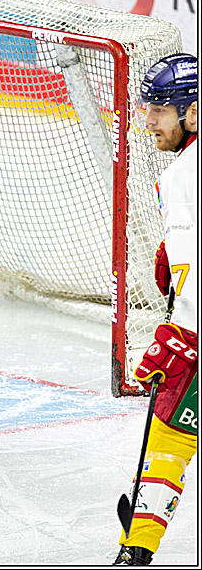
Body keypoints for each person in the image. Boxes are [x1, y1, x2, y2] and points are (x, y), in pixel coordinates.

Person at [114, 53, 197, 565]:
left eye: (163, 109)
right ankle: (139, 545)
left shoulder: (186, 176)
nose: (149, 121)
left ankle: (137, 551)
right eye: (148, 106)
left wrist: (180, 334)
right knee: (173, 431)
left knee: (169, 434)